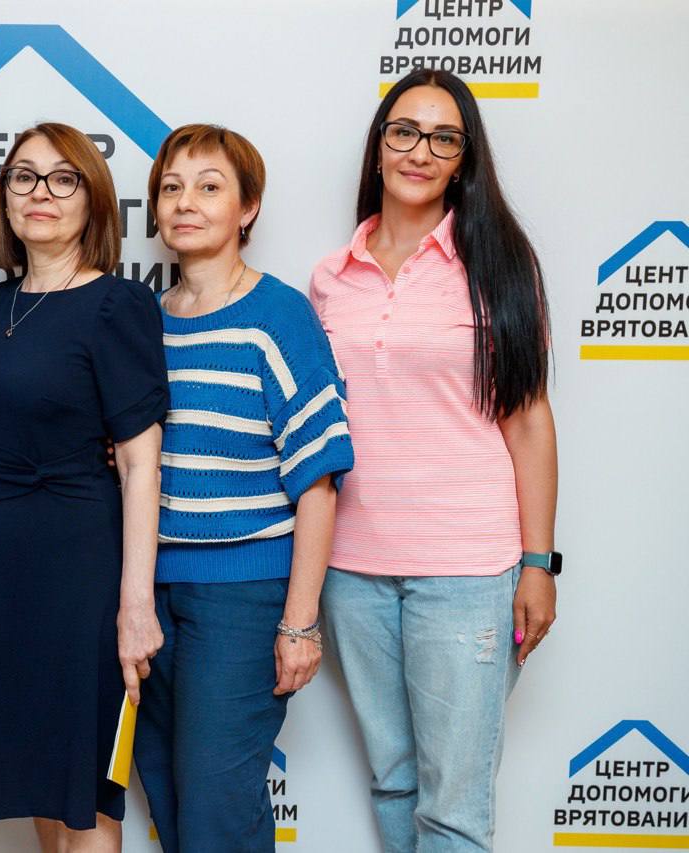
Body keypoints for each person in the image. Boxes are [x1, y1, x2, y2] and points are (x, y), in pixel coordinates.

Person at [310, 69, 559, 853]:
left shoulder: (499, 266)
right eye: (405, 132)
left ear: (463, 160)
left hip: (468, 571)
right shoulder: (330, 277)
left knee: (452, 806)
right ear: (379, 146)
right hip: (351, 569)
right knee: (394, 781)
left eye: (444, 138)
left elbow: (528, 421)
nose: (421, 151)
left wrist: (539, 562)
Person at [0, 122, 168, 853]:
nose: (41, 192)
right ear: (5, 199)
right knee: (39, 784)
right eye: (24, 176)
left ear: (92, 198)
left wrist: (135, 606)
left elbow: (139, 464)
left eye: (62, 177)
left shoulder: (117, 304)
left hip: (81, 574)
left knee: (85, 799)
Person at [132, 124, 354, 853]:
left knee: (216, 816)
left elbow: (319, 479)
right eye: (171, 187)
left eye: (209, 186)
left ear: (248, 207)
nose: (185, 202)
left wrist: (300, 623)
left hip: (242, 598)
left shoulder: (278, 316)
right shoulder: (145, 323)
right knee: (171, 803)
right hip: (149, 596)